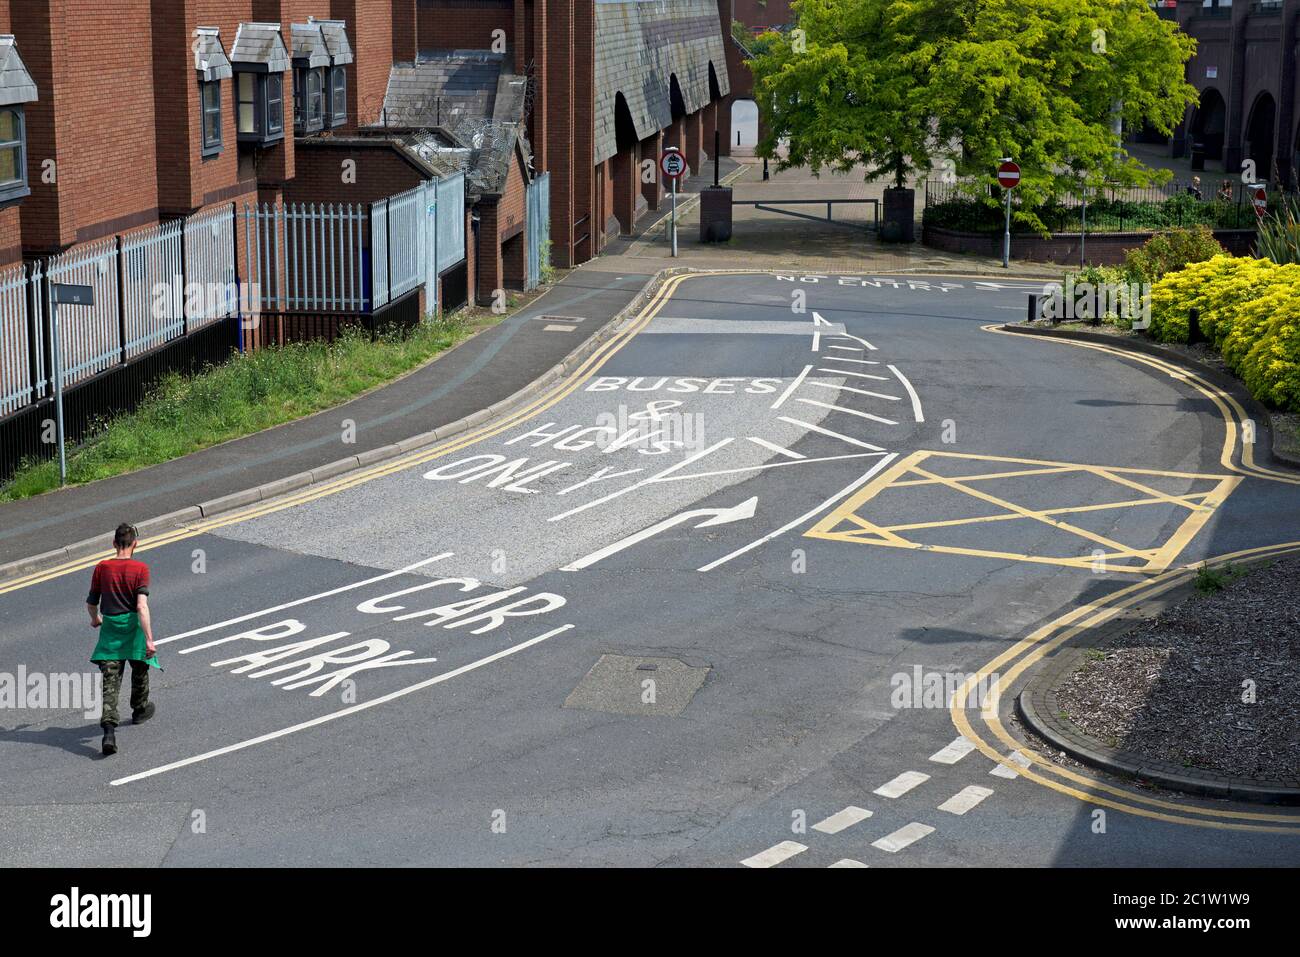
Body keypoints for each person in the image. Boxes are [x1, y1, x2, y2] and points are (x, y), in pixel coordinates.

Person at [87, 523, 159, 756]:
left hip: (111, 630)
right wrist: (149, 639)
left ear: (114, 544)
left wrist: (96, 619)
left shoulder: (102, 568)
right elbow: (141, 606)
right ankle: (139, 709)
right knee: (140, 669)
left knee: (111, 680)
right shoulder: (140, 568)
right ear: (135, 544)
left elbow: (91, 602)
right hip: (133, 628)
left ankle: (109, 731)